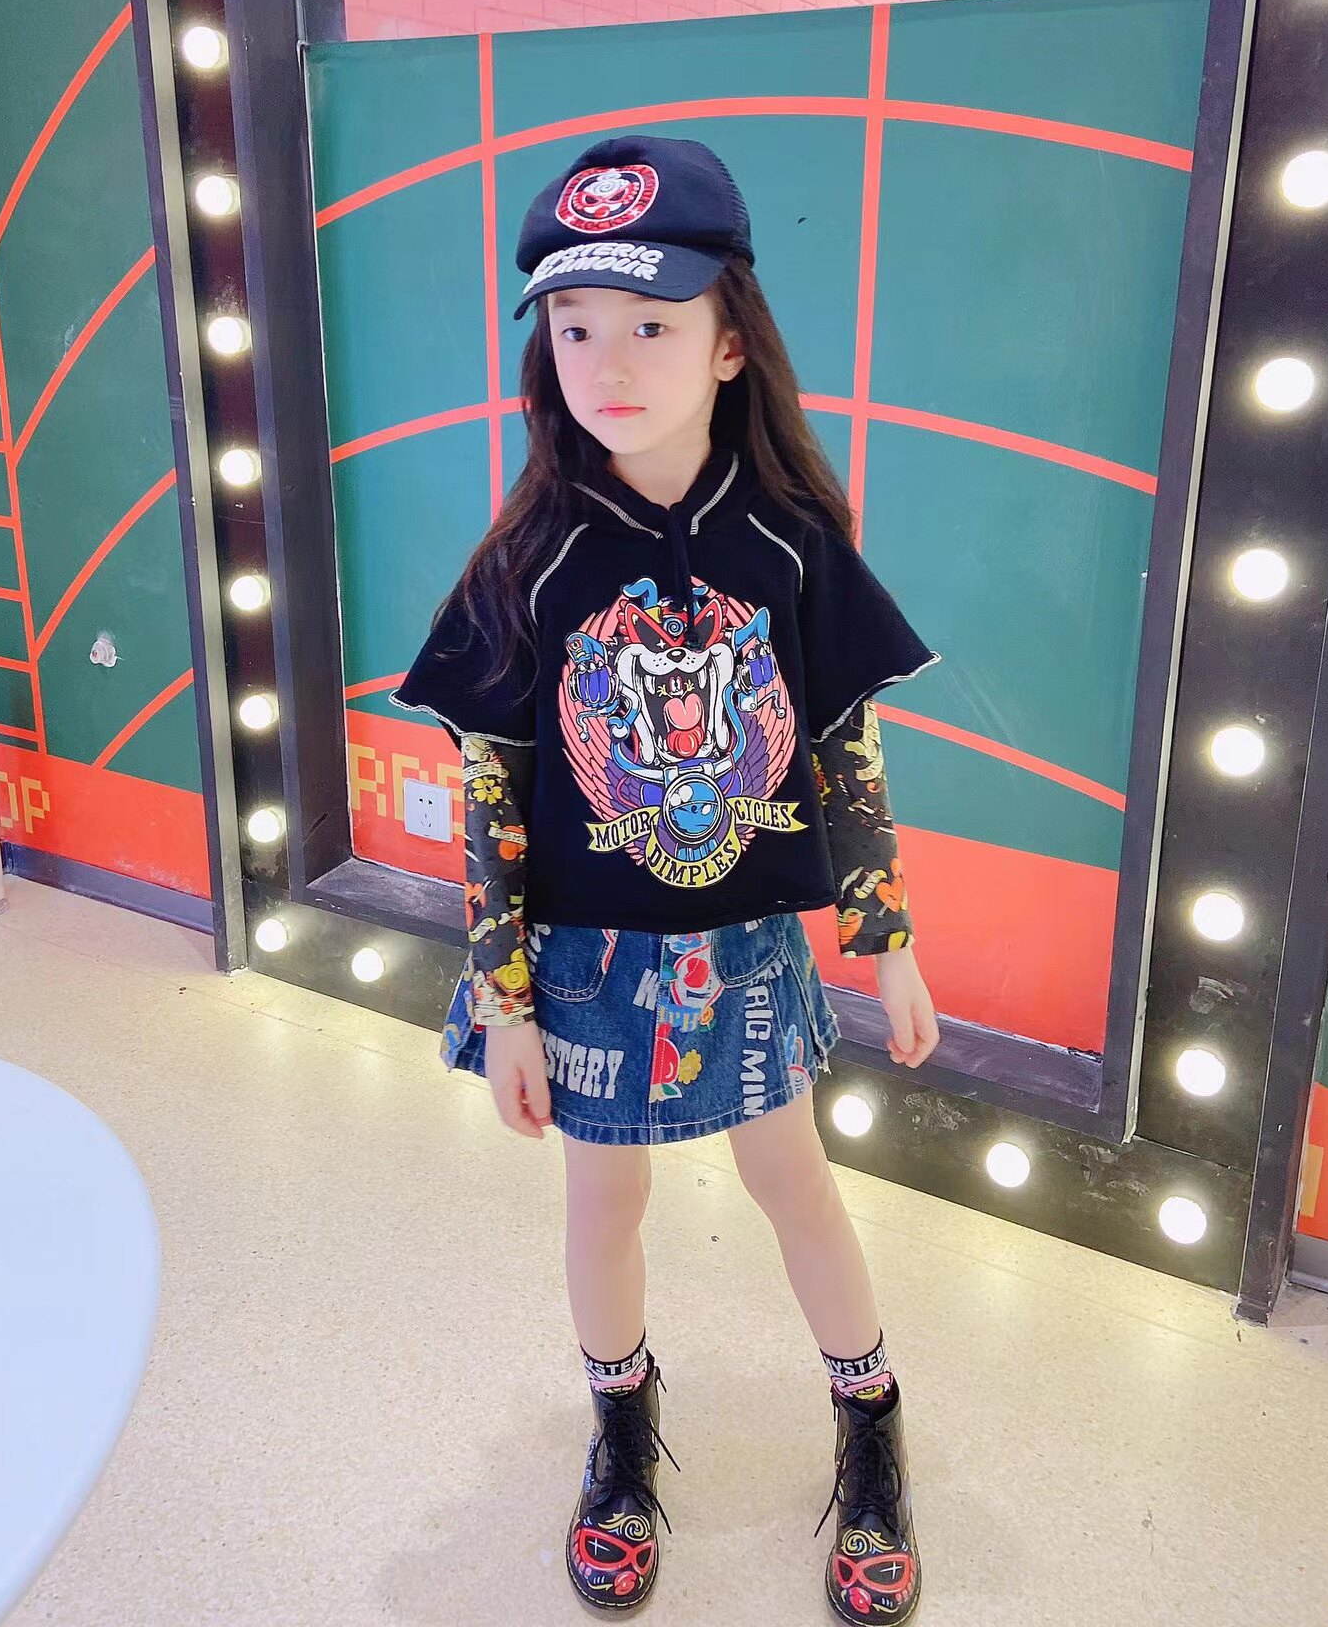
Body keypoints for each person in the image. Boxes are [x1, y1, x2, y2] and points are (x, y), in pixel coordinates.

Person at [394, 134, 942, 1622]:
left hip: (746, 945)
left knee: (793, 1183)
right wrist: (505, 999)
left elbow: (840, 742)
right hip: (581, 958)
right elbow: (491, 790)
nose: (610, 362)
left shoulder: (789, 542)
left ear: (729, 345)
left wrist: (886, 935)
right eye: (576, 329)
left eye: (651, 324)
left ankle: (871, 1427)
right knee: (604, 1203)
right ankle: (623, 1438)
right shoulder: (528, 558)